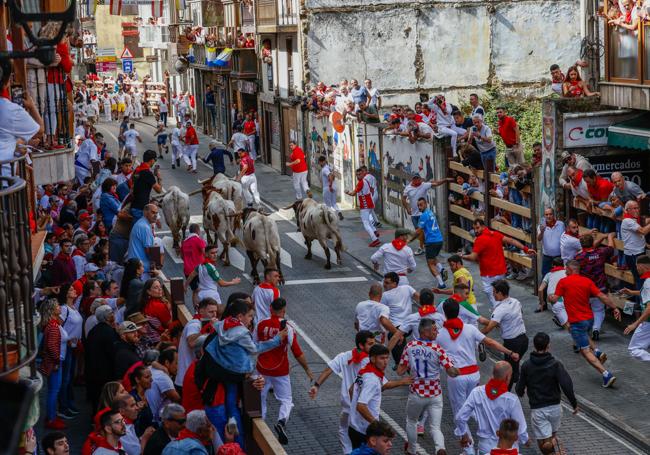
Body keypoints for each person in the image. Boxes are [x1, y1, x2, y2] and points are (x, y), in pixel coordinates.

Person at [436, 298, 516, 454]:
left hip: (456, 377)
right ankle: (490, 432)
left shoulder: (439, 334)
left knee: (460, 412)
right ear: (459, 312)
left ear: (444, 314)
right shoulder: (469, 329)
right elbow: (490, 342)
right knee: (475, 406)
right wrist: (509, 353)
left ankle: (469, 449)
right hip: (473, 375)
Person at [548, 260, 621, 387]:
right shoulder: (587, 281)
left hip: (577, 321)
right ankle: (597, 352)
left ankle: (606, 374)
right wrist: (614, 307)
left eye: (566, 270)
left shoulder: (563, 282)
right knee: (582, 334)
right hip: (589, 319)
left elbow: (554, 300)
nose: (565, 271)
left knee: (585, 352)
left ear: (570, 270)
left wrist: (550, 297)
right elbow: (602, 296)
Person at [397, 318, 460, 454]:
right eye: (434, 329)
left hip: (416, 392)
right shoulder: (438, 349)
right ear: (425, 332)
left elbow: (400, 371)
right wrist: (457, 370)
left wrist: (411, 371)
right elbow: (452, 372)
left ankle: (412, 450)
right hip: (435, 393)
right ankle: (440, 448)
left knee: (412, 421)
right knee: (435, 427)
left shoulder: (410, 346)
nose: (437, 332)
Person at [257, 298, 314, 445]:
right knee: (286, 400)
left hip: (261, 368)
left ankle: (260, 428)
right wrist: (307, 369)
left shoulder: (260, 323)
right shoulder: (287, 327)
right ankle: (281, 422)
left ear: (270, 308)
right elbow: (296, 351)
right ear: (284, 310)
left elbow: (253, 345)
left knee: (260, 399)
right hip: (280, 370)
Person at [309, 331, 375, 454]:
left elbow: (328, 370)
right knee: (365, 437)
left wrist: (316, 386)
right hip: (361, 407)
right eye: (370, 344)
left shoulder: (344, 356)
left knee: (343, 430)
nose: (373, 346)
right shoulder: (370, 362)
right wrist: (402, 382)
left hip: (346, 405)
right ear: (361, 345)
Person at [516, 332, 577, 454]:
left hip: (538, 409)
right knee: (551, 437)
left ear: (534, 346)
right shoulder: (555, 364)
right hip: (555, 407)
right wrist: (574, 403)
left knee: (544, 444)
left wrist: (520, 391)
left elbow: (520, 385)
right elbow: (566, 384)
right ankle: (556, 447)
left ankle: (555, 450)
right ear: (548, 346)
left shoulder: (527, 365)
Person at [454, 362, 529, 454]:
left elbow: (460, 417)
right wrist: (525, 440)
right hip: (508, 447)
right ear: (507, 377)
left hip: (485, 447)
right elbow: (520, 427)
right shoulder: (511, 400)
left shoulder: (476, 392)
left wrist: (464, 434)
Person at [347, 344, 411, 450]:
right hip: (365, 430)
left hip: (354, 426)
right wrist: (377, 425)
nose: (385, 361)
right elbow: (361, 406)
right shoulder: (372, 379)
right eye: (382, 358)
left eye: (387, 358)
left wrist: (401, 382)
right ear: (372, 358)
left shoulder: (366, 371)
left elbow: (351, 390)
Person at [461, 219, 535, 309]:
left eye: (477, 228)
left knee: (493, 297)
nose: (476, 231)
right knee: (502, 294)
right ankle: (509, 311)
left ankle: (500, 315)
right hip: (501, 272)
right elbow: (511, 240)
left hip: (488, 274)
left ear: (483, 226)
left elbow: (473, 257)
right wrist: (526, 249)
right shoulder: (495, 234)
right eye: (475, 228)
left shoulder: (479, 240)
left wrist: (462, 256)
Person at [481, 280, 528, 390]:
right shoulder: (516, 302)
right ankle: (517, 377)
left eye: (494, 292)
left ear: (500, 293)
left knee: (508, 370)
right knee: (515, 365)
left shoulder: (500, 309)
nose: (493, 294)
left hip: (512, 343)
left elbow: (489, 328)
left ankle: (506, 392)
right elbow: (520, 314)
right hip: (524, 340)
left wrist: (477, 333)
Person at [0, 58, 43, 173]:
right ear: (7, 82)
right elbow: (40, 131)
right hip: (5, 181)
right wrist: (32, 106)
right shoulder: (10, 110)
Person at [574, 233, 616, 340]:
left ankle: (585, 329)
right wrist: (610, 236)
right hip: (600, 288)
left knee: (585, 310)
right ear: (593, 243)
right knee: (599, 310)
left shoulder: (578, 257)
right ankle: (596, 329)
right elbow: (611, 248)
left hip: (585, 290)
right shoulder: (601, 252)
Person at [176, 298, 219, 390]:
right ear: (201, 311)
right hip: (186, 379)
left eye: (216, 311)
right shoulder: (194, 324)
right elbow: (191, 343)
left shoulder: (200, 323)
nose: (214, 315)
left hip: (191, 377)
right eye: (211, 312)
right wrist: (207, 328)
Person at [401, 173, 450, 255]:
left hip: (422, 213)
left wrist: (445, 180)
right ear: (412, 180)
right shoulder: (408, 188)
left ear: (420, 179)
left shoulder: (424, 185)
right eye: (415, 179)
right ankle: (424, 245)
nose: (416, 180)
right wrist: (407, 208)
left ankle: (421, 247)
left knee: (420, 231)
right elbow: (403, 198)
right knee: (419, 231)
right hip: (414, 214)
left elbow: (436, 183)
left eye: (418, 178)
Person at [380, 272, 420, 364]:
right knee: (398, 340)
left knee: (392, 336)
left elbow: (381, 313)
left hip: (398, 327)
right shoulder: (407, 288)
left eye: (387, 283)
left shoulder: (385, 296)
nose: (384, 285)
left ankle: (399, 363)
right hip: (409, 326)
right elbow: (419, 298)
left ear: (395, 283)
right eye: (384, 282)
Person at [85, 306, 119, 412]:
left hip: (93, 371)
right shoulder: (109, 332)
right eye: (111, 313)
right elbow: (113, 353)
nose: (113, 315)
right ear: (107, 317)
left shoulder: (94, 331)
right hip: (105, 372)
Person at [39, 300, 67, 430]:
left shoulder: (52, 324)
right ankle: (51, 419)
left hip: (54, 362)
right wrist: (57, 360)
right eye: (57, 306)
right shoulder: (53, 326)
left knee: (53, 390)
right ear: (52, 310)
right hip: (55, 363)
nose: (59, 307)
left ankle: (51, 415)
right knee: (53, 391)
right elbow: (51, 346)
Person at [410, 197, 446, 288]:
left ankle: (441, 283)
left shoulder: (424, 216)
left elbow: (418, 231)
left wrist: (410, 240)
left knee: (430, 263)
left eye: (421, 205)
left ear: (426, 204)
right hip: (439, 240)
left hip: (431, 242)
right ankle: (441, 269)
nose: (419, 207)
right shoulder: (431, 213)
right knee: (433, 257)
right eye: (418, 205)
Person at [623, 255, 650, 362]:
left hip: (648, 322)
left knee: (634, 349)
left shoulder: (648, 282)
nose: (636, 269)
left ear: (642, 266)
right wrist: (632, 292)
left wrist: (636, 323)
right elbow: (647, 293)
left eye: (637, 266)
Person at [621, 200, 650, 292]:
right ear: (627, 210)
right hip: (635, 255)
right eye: (634, 208)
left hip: (636, 253)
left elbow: (635, 237)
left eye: (637, 208)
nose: (637, 210)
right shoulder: (627, 220)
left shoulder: (632, 220)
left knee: (642, 279)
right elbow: (643, 231)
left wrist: (646, 244)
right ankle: (642, 303)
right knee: (641, 280)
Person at [147, 348, 181, 425]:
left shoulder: (151, 368)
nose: (179, 367)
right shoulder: (163, 376)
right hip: (156, 421)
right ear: (167, 362)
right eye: (177, 363)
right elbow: (177, 398)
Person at [347, 168, 380, 247]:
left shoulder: (361, 183)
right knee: (368, 220)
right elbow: (371, 189)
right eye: (357, 175)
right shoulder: (366, 181)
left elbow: (353, 193)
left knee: (365, 223)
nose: (358, 176)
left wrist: (347, 192)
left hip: (365, 205)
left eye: (359, 174)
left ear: (363, 174)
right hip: (369, 203)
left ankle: (375, 239)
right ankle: (374, 231)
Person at [126, 204, 159, 277]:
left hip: (137, 268)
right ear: (145, 212)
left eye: (156, 213)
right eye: (153, 212)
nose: (156, 215)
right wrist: (155, 267)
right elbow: (149, 251)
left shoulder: (141, 223)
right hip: (142, 272)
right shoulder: (145, 227)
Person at [130, 150, 163, 220]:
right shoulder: (148, 173)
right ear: (151, 160)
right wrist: (159, 177)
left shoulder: (137, 170)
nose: (154, 162)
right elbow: (159, 190)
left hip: (134, 205)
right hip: (141, 209)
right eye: (155, 160)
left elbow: (132, 187)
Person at [181, 224, 207, 305]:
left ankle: (196, 310)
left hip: (187, 271)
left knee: (195, 291)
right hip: (198, 270)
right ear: (198, 230)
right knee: (203, 289)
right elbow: (205, 253)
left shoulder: (184, 242)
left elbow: (182, 256)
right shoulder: (198, 240)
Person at [538, 257, 569, 325]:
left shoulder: (548, 274)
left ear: (553, 265)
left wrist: (542, 302)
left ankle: (560, 319)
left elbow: (540, 290)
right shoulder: (567, 273)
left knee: (565, 321)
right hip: (567, 298)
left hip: (554, 299)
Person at [537, 208, 564, 276]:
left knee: (559, 275)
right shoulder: (541, 226)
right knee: (545, 275)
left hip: (559, 256)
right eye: (546, 214)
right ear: (544, 216)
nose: (548, 216)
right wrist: (542, 231)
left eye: (550, 214)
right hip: (547, 256)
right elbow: (539, 239)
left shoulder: (561, 224)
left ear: (554, 215)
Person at [318, 156, 343, 220]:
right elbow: (333, 176)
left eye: (320, 162)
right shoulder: (329, 168)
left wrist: (330, 186)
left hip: (327, 188)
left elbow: (330, 176)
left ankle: (329, 217)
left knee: (327, 204)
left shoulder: (325, 169)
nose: (320, 164)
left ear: (323, 161)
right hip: (333, 187)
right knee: (334, 203)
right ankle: (339, 212)